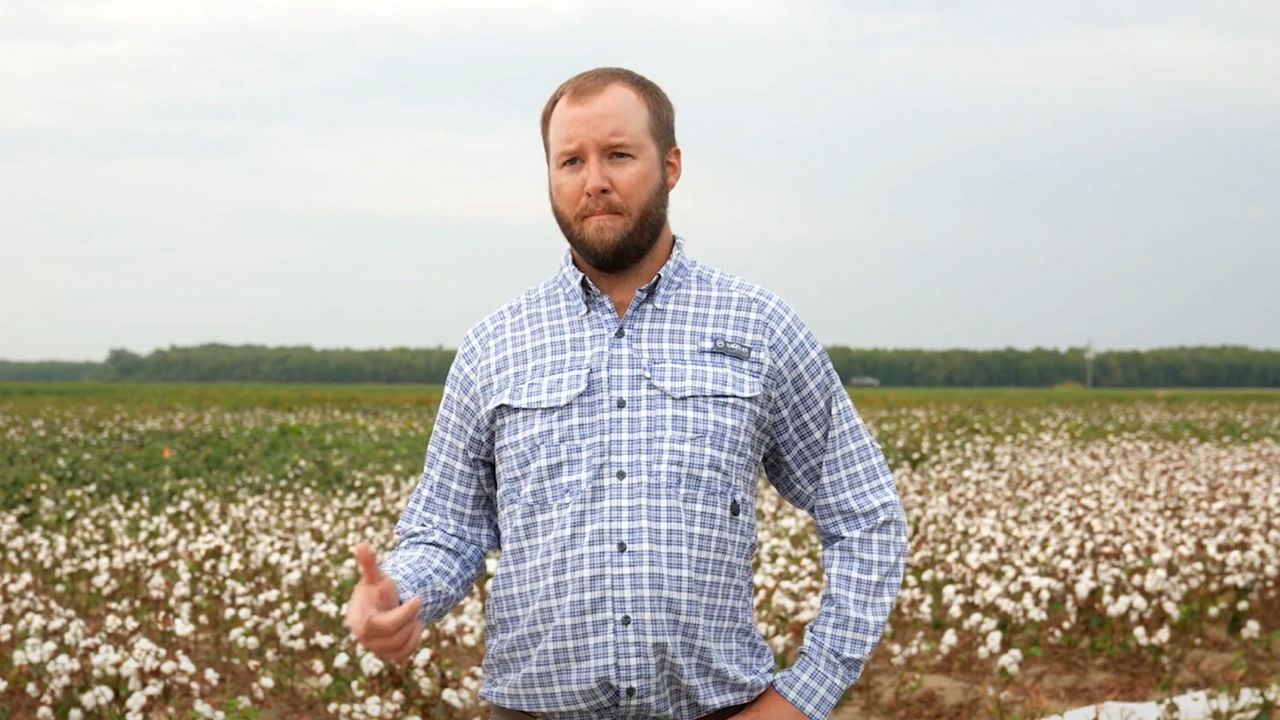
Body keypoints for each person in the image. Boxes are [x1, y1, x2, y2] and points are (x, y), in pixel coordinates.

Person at [346, 67, 907, 720]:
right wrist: (397, 598)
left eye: (618, 155)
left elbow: (867, 516)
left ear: (670, 166)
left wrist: (803, 695)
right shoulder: (494, 346)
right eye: (571, 161)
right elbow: (446, 530)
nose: (595, 182)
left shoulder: (758, 327)